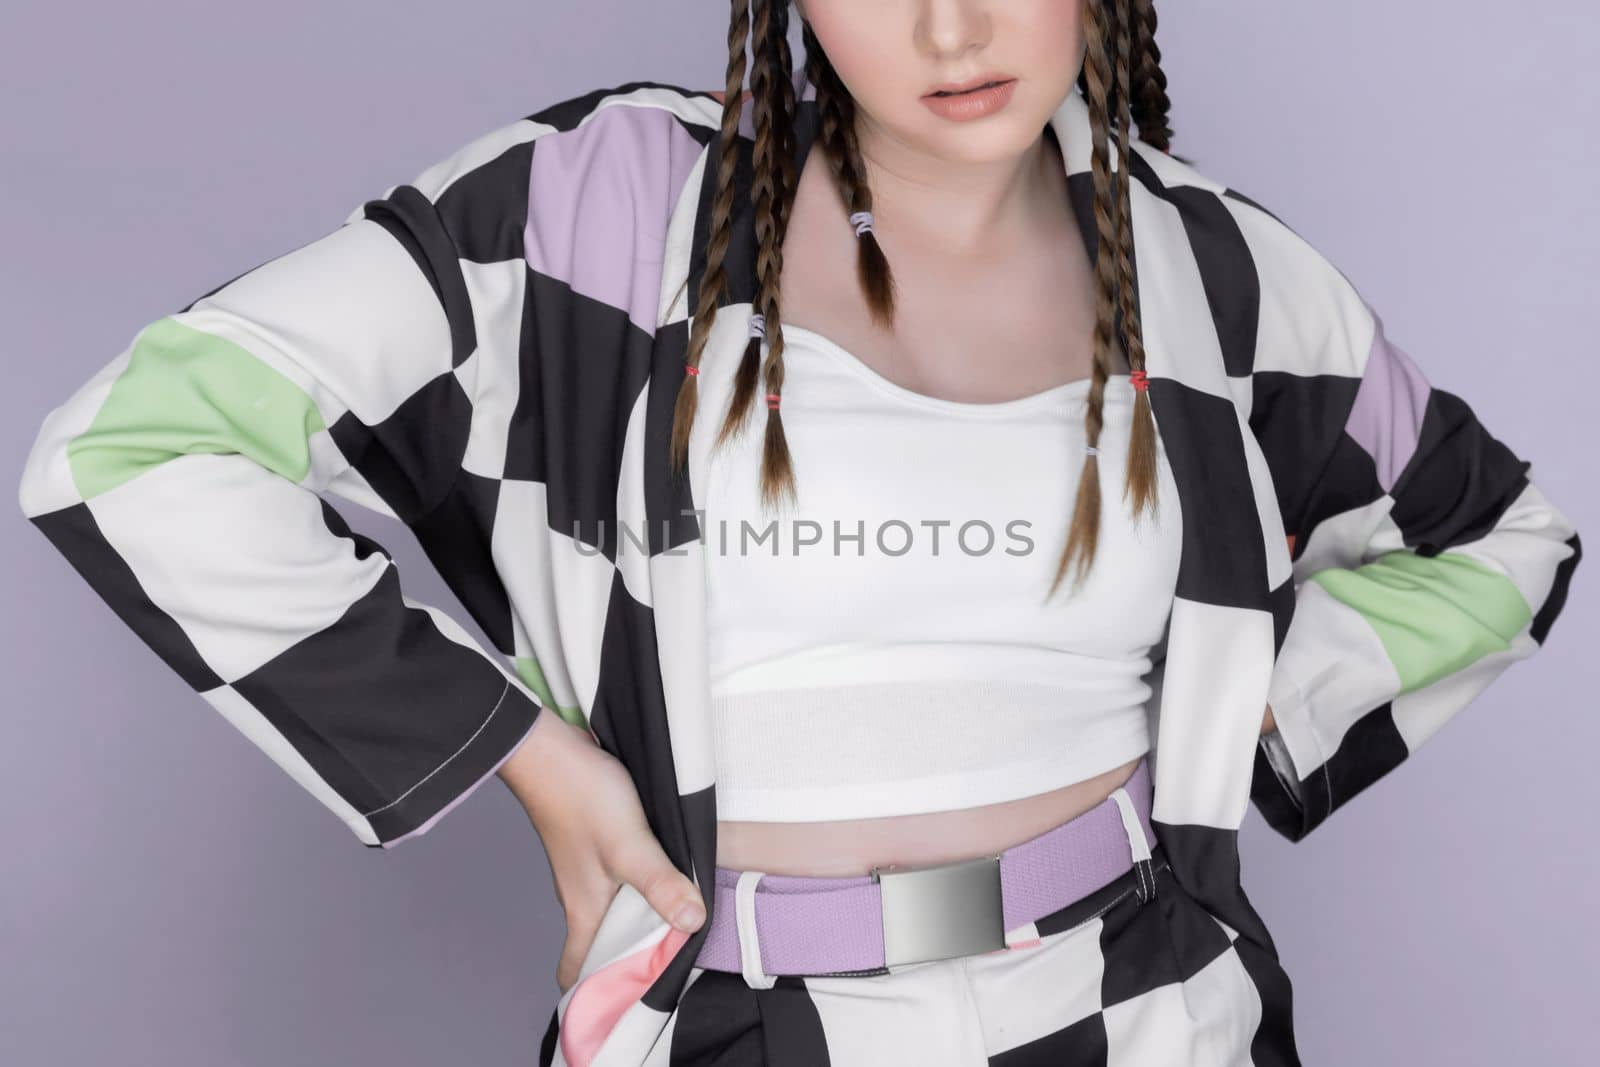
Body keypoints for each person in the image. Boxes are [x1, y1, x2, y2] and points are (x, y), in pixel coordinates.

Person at [17, 1, 1583, 1064]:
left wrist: (1228, 726)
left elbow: (1498, 539)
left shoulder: (1220, 272)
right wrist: (528, 759)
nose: (948, 27)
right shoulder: (596, 208)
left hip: (1144, 1008)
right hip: (728, 1016)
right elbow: (138, 445)